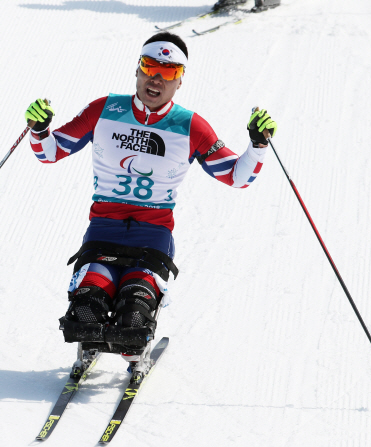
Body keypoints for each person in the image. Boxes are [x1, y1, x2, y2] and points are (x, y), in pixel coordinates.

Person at [25, 31, 276, 377]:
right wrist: (39, 130)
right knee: (86, 308)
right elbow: (50, 152)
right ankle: (91, 337)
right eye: (150, 66)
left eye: (169, 72)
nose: (156, 78)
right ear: (138, 69)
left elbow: (237, 176)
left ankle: (134, 342)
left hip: (153, 234)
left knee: (133, 313)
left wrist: (258, 145)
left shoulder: (190, 126)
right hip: (103, 228)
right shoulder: (104, 109)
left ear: (180, 81)